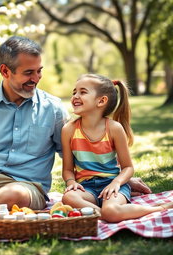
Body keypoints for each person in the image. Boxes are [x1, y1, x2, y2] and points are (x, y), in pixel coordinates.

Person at [0, 38, 151, 234]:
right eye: (28, 72)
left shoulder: (53, 109)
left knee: (12, 192)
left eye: (39, 71)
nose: (36, 78)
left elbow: (78, 154)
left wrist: (121, 179)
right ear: (5, 71)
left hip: (24, 189)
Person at [61, 74, 173, 222]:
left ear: (101, 101)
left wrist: (116, 183)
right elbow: (68, 169)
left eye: (82, 92)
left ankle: (159, 208)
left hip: (113, 185)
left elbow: (128, 168)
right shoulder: (69, 130)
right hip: (86, 188)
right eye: (74, 92)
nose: (75, 96)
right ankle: (105, 213)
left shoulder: (114, 128)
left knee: (112, 210)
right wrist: (71, 183)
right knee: (68, 197)